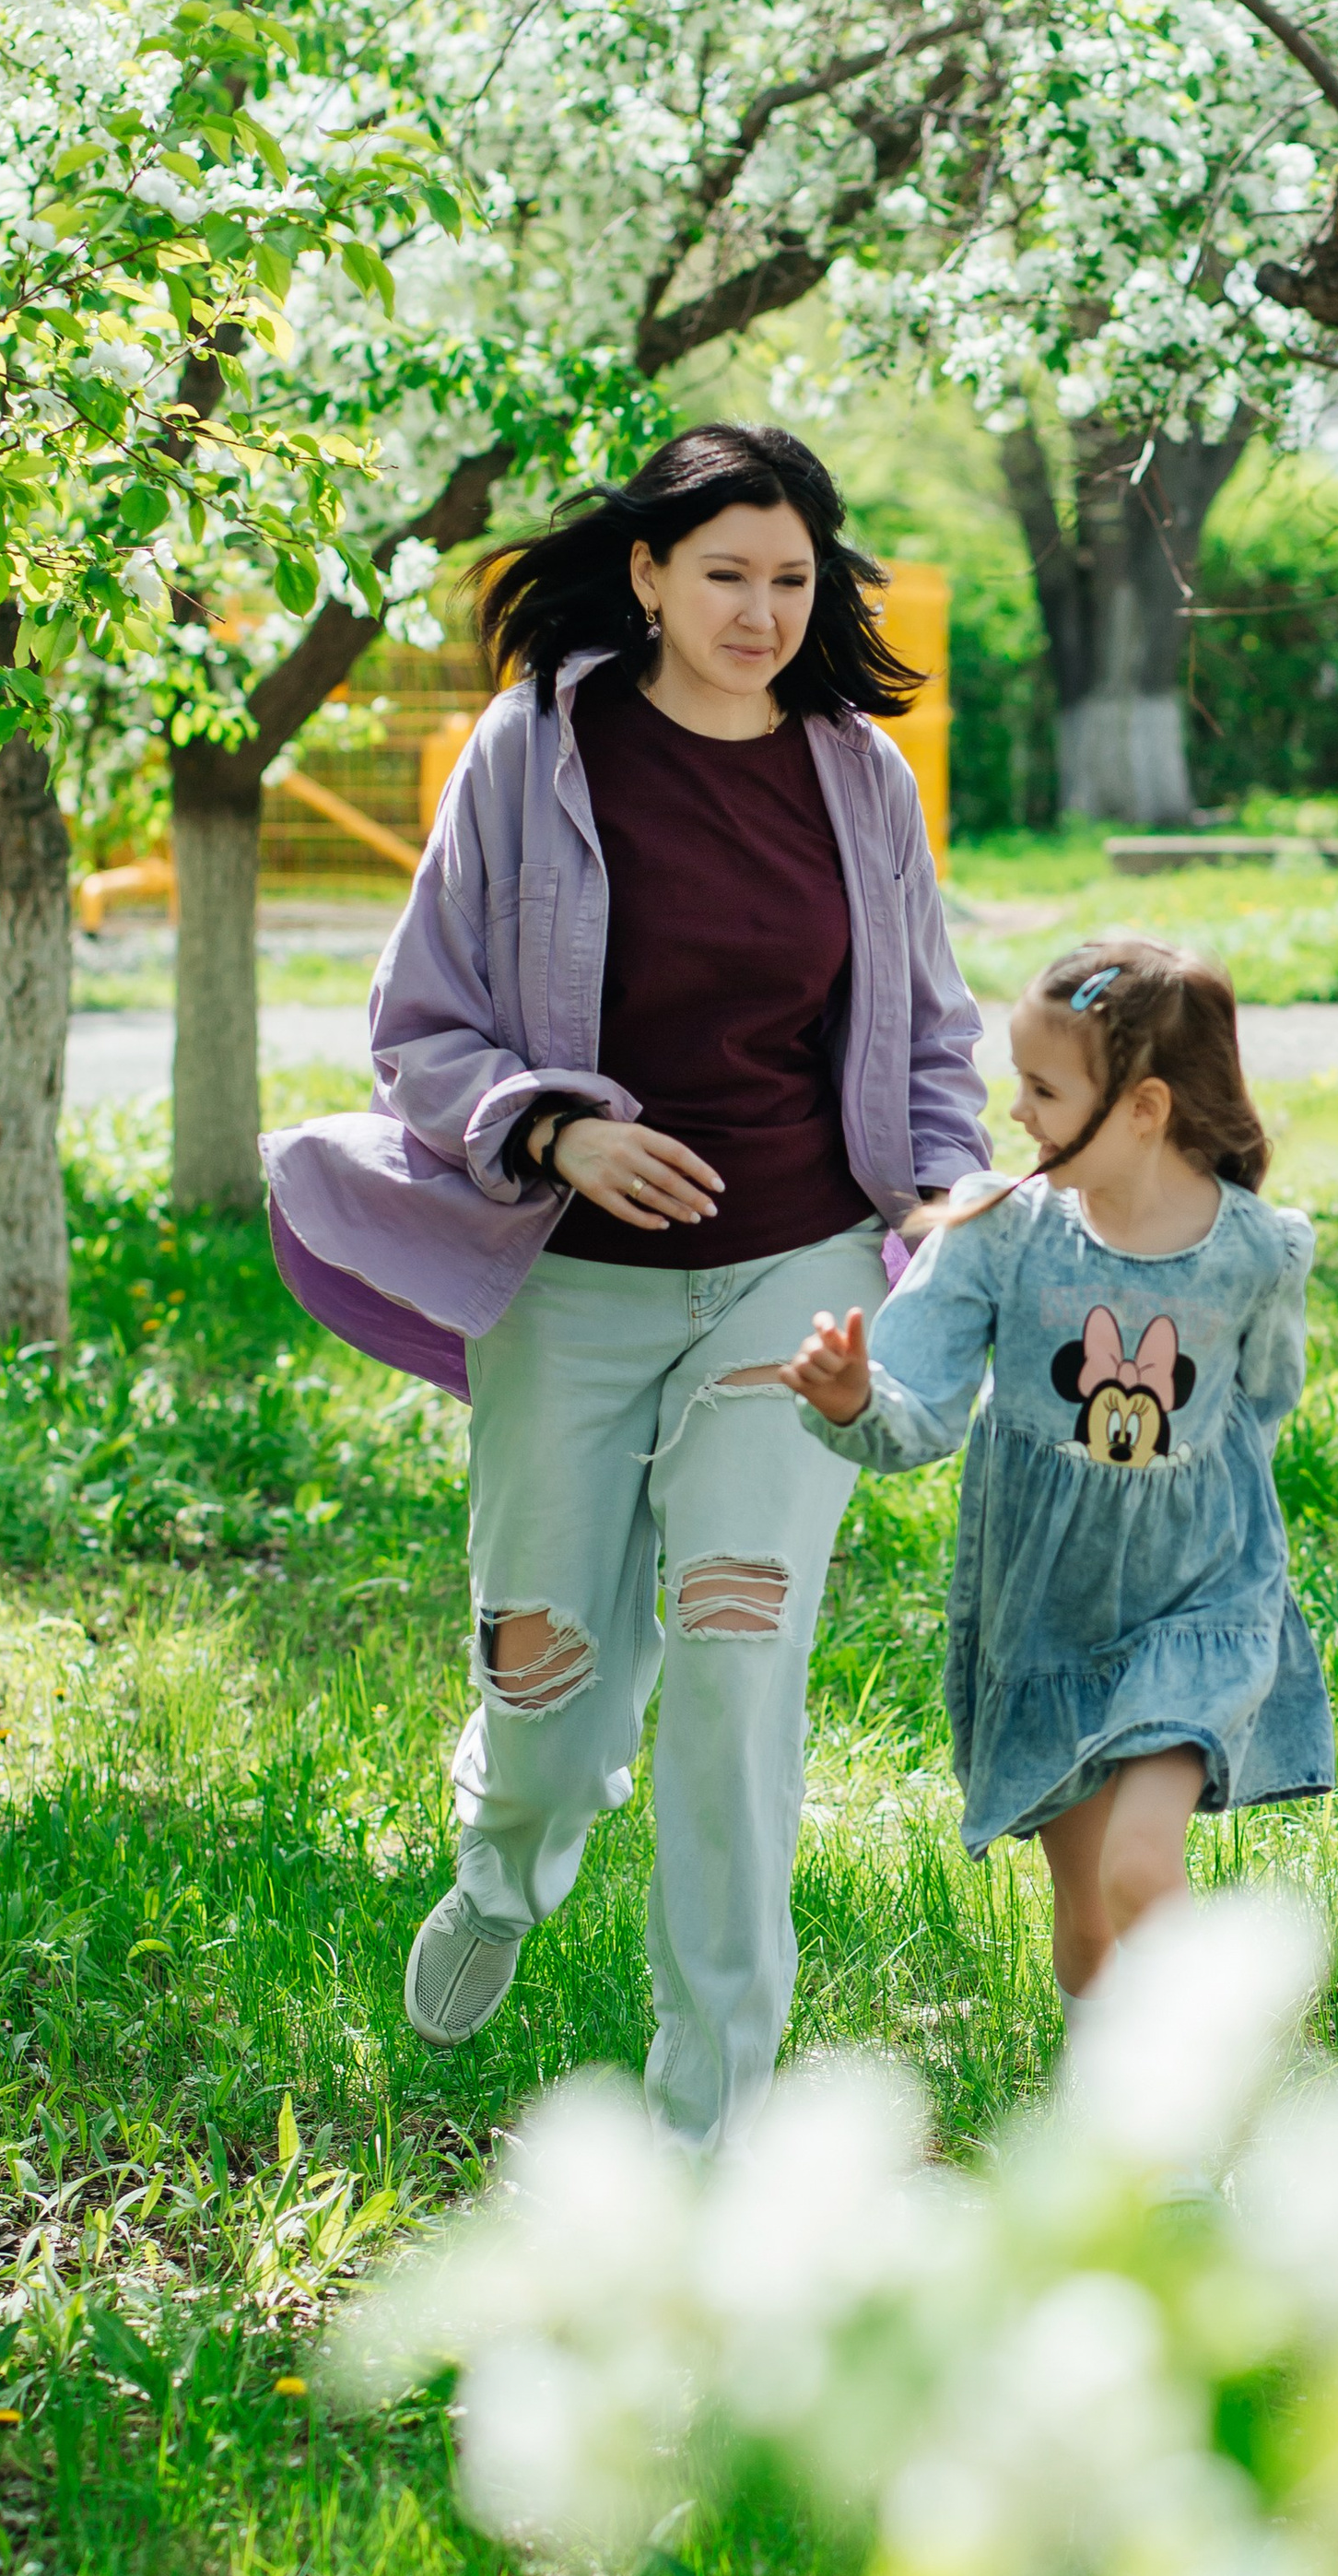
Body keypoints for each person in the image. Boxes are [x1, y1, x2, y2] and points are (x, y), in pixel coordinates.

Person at [262, 422, 990, 2143]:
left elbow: (931, 1035)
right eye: (724, 573)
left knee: (739, 1671)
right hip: (568, 1277)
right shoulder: (533, 751)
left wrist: (949, 1190)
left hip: (795, 1271)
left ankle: (711, 2115)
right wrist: (558, 1132)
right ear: (649, 573)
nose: (759, 611)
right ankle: (509, 1865)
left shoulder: (857, 776)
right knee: (549, 1675)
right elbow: (420, 1030)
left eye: (791, 580)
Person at [783, 937, 1333, 2019]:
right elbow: (918, 1402)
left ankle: (1187, 2120)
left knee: (1141, 1870)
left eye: (1042, 1088)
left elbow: (1258, 1407)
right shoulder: (1003, 1238)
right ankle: (1112, 2105)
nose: (1015, 1112)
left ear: (1142, 1108)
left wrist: (1203, 1519)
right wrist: (855, 1401)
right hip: (1045, 1619)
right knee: (1087, 1914)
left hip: (1198, 1606)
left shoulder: (1253, 1254)